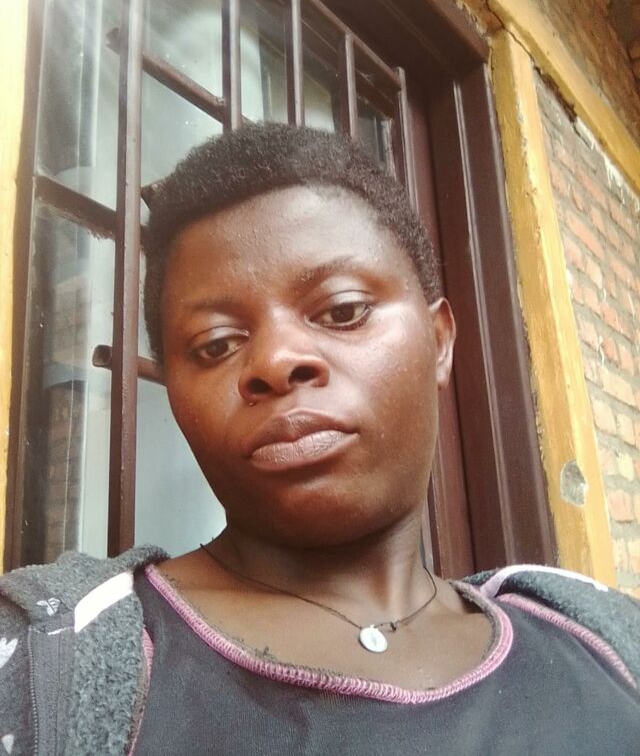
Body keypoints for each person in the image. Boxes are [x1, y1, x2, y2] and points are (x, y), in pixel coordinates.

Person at [1, 125, 639, 755]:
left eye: (343, 311)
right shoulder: (48, 663)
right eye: (216, 344)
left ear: (439, 341)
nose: (276, 361)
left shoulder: (602, 641)